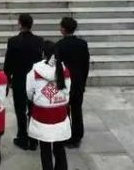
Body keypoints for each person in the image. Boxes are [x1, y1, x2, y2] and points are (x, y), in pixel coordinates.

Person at [27, 41, 71, 170]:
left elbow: (29, 93)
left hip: (42, 116)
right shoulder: (64, 69)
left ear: (43, 54)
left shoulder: (34, 71)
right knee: (60, 148)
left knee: (45, 151)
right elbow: (67, 91)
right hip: (60, 115)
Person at [5, 13, 45, 151]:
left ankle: (22, 137)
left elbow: (8, 63)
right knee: (33, 109)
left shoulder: (13, 41)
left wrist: (7, 78)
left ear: (20, 24)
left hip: (19, 80)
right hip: (34, 80)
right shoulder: (39, 41)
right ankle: (34, 139)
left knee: (20, 110)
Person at [55, 17, 90, 149]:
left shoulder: (59, 45)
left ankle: (66, 134)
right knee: (77, 109)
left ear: (64, 29)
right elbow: (85, 65)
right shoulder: (82, 44)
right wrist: (83, 82)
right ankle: (77, 136)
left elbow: (58, 67)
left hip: (65, 82)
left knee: (65, 109)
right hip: (78, 81)